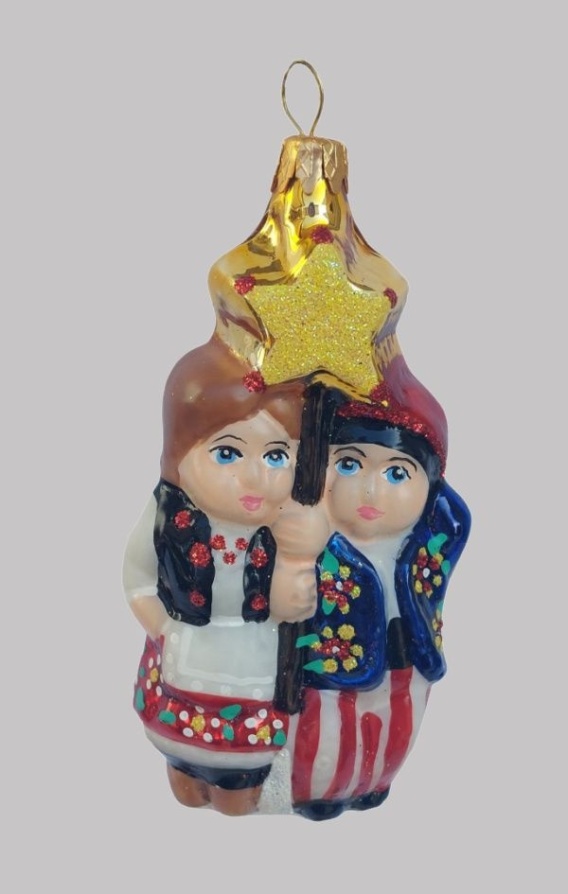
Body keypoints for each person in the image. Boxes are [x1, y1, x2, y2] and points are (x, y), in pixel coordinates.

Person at [123, 336, 320, 816]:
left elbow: (297, 598)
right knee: (182, 773)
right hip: (185, 651)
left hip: (252, 662)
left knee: (239, 782)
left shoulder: (287, 528)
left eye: (276, 456)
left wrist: (296, 573)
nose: (256, 478)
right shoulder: (168, 515)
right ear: (179, 455)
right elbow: (137, 576)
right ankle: (184, 769)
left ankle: (240, 782)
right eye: (228, 454)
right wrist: (162, 627)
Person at [287, 382, 471, 820]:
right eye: (349, 465)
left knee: (395, 722)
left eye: (397, 474)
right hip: (330, 672)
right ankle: (321, 790)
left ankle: (374, 782)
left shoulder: (424, 543)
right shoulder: (312, 541)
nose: (371, 492)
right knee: (331, 729)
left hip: (404, 660)